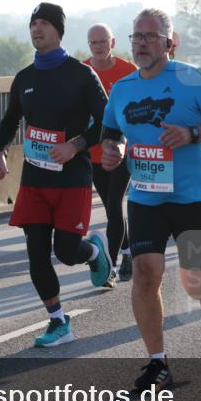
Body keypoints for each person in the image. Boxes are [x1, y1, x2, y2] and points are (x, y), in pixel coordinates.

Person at [100, 8, 201, 391]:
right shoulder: (122, 88)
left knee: (194, 279)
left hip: (191, 195)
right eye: (136, 37)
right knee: (145, 274)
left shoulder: (191, 78)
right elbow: (112, 135)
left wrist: (192, 133)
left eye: (151, 36)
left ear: (169, 43)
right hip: (146, 196)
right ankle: (158, 363)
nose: (142, 43)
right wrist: (113, 151)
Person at [0, 3, 112, 348]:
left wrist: (76, 145)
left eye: (44, 23)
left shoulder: (80, 74)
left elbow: (107, 121)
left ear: (59, 31)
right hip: (34, 180)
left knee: (67, 251)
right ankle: (58, 321)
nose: (36, 29)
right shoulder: (25, 78)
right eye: (33, 24)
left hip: (72, 178)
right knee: (37, 254)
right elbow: (11, 119)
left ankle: (92, 252)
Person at [85, 23, 137, 282]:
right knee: (110, 208)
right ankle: (128, 251)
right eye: (93, 43)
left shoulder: (128, 71)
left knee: (115, 204)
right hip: (94, 152)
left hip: (121, 150)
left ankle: (111, 265)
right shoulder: (82, 71)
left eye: (103, 42)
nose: (98, 47)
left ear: (112, 43)